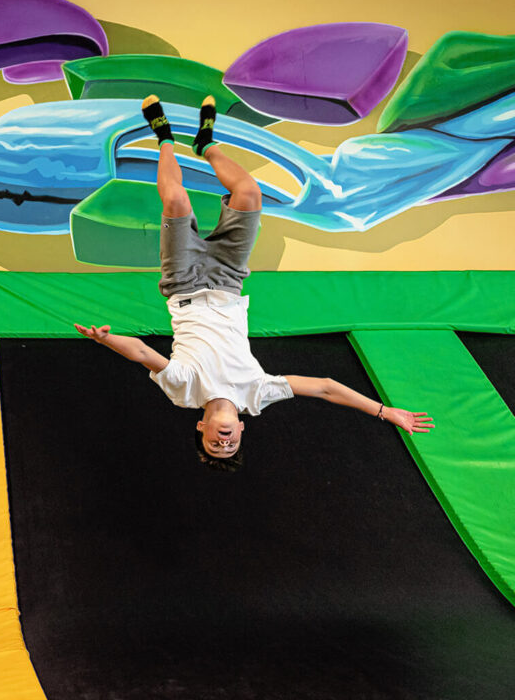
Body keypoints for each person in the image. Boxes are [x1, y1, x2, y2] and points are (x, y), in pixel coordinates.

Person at [75, 97, 433, 471]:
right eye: (229, 446)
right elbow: (325, 386)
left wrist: (105, 340)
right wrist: (383, 411)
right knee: (249, 194)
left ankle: (164, 136)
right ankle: (206, 145)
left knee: (178, 200)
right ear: (242, 430)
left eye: (214, 444)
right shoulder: (259, 394)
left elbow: (143, 354)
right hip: (229, 281)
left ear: (201, 426)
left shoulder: (184, 393)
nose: (223, 441)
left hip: (185, 284)